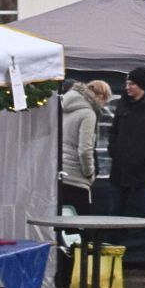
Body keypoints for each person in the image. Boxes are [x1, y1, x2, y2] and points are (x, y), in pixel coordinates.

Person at [109, 69, 145, 240]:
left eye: (131, 84)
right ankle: (110, 255)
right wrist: (114, 150)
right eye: (127, 83)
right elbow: (114, 131)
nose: (127, 87)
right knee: (114, 215)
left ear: (141, 85)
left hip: (143, 171)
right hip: (120, 169)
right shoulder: (122, 104)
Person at [56, 78, 98, 213]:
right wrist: (89, 173)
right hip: (77, 178)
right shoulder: (88, 113)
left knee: (62, 226)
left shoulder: (60, 109)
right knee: (82, 227)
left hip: (60, 174)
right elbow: (85, 150)